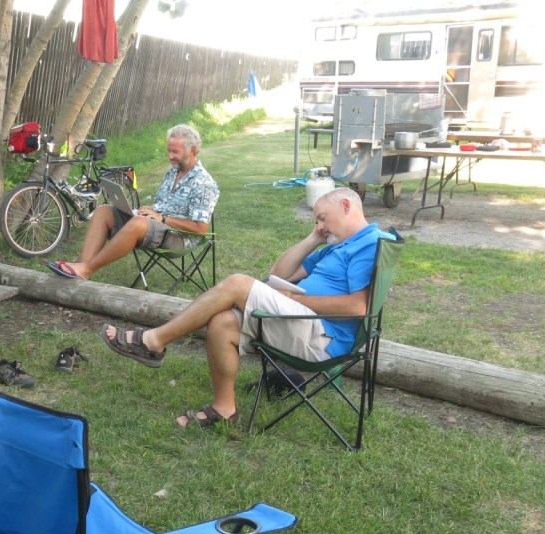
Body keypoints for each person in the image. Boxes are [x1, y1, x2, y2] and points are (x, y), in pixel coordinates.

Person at [99, 187, 395, 429]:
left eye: (322, 218)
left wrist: (298, 300)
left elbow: (359, 306)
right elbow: (280, 274)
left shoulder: (368, 243)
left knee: (238, 283)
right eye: (316, 221)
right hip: (304, 324)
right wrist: (314, 238)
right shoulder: (335, 247)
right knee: (223, 322)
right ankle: (224, 409)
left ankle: (154, 341)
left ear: (346, 206)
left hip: (324, 338)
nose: (320, 226)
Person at [47, 123, 219, 281]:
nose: (170, 156)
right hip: (156, 225)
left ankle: (86, 269)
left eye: (175, 152)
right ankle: (80, 270)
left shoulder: (203, 183)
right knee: (103, 211)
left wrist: (162, 218)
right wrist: (151, 210)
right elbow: (164, 204)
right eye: (169, 151)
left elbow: (200, 228)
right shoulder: (173, 172)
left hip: (178, 238)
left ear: (193, 150)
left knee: (138, 223)